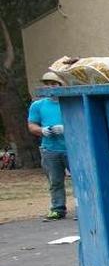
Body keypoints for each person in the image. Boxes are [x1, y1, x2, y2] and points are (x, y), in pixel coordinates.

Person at [27, 72, 68, 220]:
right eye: (48, 84)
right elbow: (32, 125)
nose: (51, 87)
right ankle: (58, 209)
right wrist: (42, 131)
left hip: (72, 148)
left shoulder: (70, 102)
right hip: (50, 149)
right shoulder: (38, 105)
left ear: (61, 85)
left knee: (80, 180)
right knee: (55, 181)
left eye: (54, 83)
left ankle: (82, 207)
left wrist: (66, 127)